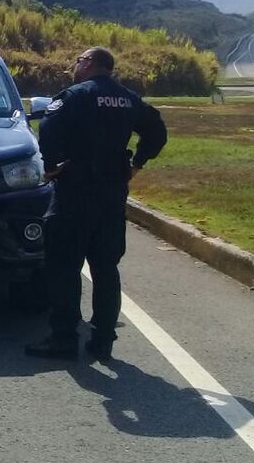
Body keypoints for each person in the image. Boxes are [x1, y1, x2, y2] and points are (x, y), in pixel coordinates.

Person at [25, 46, 167, 362]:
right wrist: (138, 163)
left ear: (89, 64)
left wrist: (50, 166)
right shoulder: (128, 98)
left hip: (74, 191)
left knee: (64, 267)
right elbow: (156, 130)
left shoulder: (75, 95)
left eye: (78, 61)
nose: (75, 66)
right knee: (105, 267)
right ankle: (103, 339)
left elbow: (48, 128)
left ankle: (63, 338)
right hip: (111, 194)